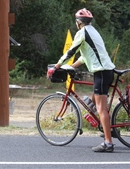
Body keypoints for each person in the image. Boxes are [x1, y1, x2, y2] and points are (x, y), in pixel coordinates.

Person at [47, 8, 115, 152]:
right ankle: (108, 128)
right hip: (107, 71)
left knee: (101, 109)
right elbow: (84, 57)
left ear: (79, 22)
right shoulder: (93, 32)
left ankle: (108, 143)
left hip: (101, 73)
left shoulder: (82, 33)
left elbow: (71, 51)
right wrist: (70, 67)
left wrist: (57, 66)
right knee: (96, 102)